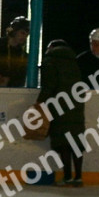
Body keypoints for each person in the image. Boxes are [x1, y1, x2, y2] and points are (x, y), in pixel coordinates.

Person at [36, 39, 86, 186]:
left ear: (51, 47)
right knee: (75, 141)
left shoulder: (50, 61)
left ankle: (67, 177)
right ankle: (78, 177)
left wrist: (39, 102)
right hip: (76, 105)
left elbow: (49, 85)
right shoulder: (75, 62)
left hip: (59, 105)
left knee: (64, 142)